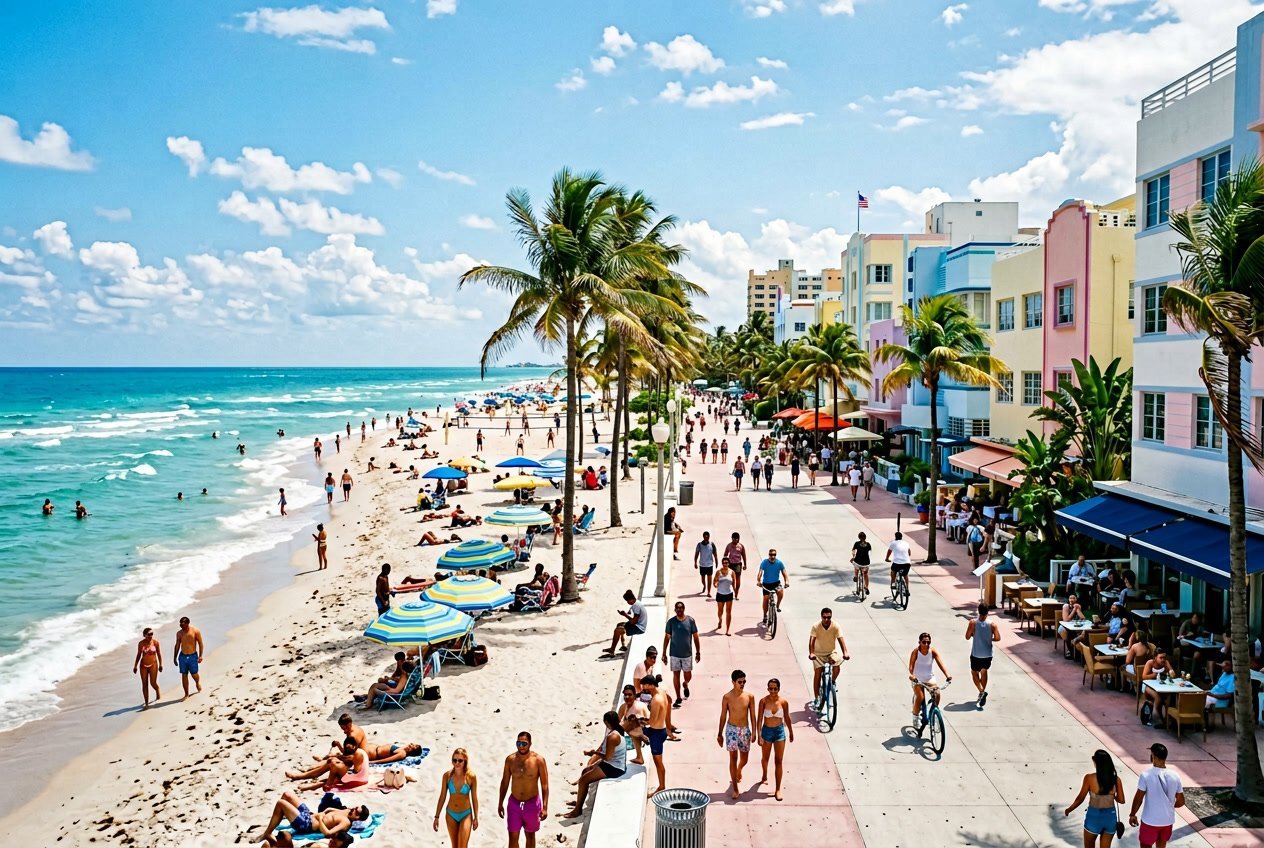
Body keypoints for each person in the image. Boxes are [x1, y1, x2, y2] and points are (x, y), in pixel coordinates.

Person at [563, 712, 624, 818]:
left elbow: (608, 757)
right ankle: (579, 802)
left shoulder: (613, 736)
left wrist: (595, 753)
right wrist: (594, 754)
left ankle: (577, 810)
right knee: (585, 772)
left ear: (606, 722)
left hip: (614, 767)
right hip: (612, 763)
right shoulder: (615, 731)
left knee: (583, 781)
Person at [1064, 749, 1126, 847]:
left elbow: (1080, 798)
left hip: (1094, 817)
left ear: (1095, 761)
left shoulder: (1089, 778)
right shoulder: (1116, 779)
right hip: (1110, 818)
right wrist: (1112, 796)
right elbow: (1122, 800)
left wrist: (1069, 809)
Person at [498, 731, 549, 845]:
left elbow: (544, 785)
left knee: (530, 836)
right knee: (512, 836)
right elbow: (505, 782)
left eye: (524, 744)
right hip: (514, 804)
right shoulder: (510, 760)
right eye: (518, 743)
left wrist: (545, 807)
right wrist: (500, 802)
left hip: (532, 804)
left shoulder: (538, 760)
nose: (521, 746)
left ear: (530, 744)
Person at [1129, 743, 1184, 848]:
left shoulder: (1145, 775)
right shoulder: (1175, 776)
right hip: (1167, 821)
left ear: (1153, 757)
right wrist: (1168, 806)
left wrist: (1132, 814)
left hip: (1150, 821)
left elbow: (1139, 798)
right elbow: (1181, 802)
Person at [260, 791, 367, 842]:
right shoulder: (347, 811)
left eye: (356, 813)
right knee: (287, 794)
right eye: (355, 808)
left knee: (281, 803)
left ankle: (268, 833)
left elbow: (328, 834)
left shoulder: (346, 823)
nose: (353, 810)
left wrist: (320, 819)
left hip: (306, 825)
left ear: (358, 819)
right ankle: (282, 814)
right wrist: (326, 811)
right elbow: (332, 810)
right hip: (309, 815)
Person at [716, 669, 756, 800]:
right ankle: (735, 788)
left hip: (744, 730)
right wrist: (719, 733)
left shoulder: (749, 697)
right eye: (740, 682)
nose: (742, 684)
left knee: (744, 759)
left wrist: (755, 731)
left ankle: (739, 769)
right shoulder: (727, 697)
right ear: (733, 682)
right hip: (731, 730)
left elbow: (753, 715)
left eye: (744, 681)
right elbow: (723, 716)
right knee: (732, 758)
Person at [756, 677, 794, 801]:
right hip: (766, 731)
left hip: (779, 732)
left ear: (779, 689)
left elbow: (787, 717)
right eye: (771, 688)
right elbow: (760, 719)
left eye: (775, 689)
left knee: (778, 761)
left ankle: (778, 789)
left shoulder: (783, 702)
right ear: (767, 688)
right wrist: (759, 734)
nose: (773, 691)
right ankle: (764, 775)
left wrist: (791, 731)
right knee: (765, 758)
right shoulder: (763, 701)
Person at [433, 748, 479, 847]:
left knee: (462, 846)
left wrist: (476, 817)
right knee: (455, 846)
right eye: (454, 760)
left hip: (466, 814)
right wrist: (436, 816)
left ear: (465, 761)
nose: (457, 763)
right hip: (451, 814)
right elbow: (442, 796)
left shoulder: (471, 777)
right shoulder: (447, 776)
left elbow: (474, 798)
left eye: (460, 760)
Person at [908, 632, 952, 727]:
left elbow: (941, 664)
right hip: (917, 679)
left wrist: (947, 675)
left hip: (929, 678)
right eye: (924, 642)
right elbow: (911, 667)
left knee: (937, 694)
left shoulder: (932, 651)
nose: (926, 644)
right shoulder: (915, 652)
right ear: (919, 642)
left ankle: (933, 714)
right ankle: (915, 718)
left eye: (928, 642)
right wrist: (912, 676)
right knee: (920, 697)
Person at [663, 602, 701, 708]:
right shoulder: (671, 622)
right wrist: (664, 653)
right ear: (675, 610)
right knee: (676, 675)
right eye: (677, 608)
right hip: (674, 654)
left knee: (688, 675)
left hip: (687, 654)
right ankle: (678, 697)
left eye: (681, 608)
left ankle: (686, 683)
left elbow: (696, 637)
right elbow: (667, 637)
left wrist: (698, 652)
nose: (679, 610)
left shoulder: (690, 621)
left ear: (684, 609)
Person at [808, 608, 848, 706]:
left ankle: (832, 682)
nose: (826, 620)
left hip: (831, 652)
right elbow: (811, 640)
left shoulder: (835, 626)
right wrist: (812, 653)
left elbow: (840, 639)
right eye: (824, 617)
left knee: (836, 664)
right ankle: (817, 698)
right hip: (818, 654)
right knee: (817, 674)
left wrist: (845, 652)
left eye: (828, 617)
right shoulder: (816, 626)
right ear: (821, 617)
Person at [965, 603, 1000, 708]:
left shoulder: (973, 623)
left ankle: (981, 691)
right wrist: (990, 638)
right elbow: (998, 638)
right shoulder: (992, 624)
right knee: (984, 672)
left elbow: (967, 636)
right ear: (988, 612)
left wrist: (973, 634)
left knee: (974, 672)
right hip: (988, 654)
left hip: (976, 653)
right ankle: (981, 693)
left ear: (978, 611)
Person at [642, 675, 673, 795]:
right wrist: (669, 727)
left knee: (658, 762)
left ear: (649, 685)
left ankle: (661, 786)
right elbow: (669, 703)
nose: (643, 688)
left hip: (656, 734)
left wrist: (641, 722)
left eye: (644, 685)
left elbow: (652, 722)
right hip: (662, 730)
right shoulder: (662, 692)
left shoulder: (656, 700)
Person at [603, 590, 648, 656]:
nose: (627, 602)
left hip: (639, 628)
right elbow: (633, 619)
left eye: (627, 601)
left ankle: (612, 650)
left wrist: (625, 615)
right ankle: (623, 645)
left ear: (632, 599)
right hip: (637, 624)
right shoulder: (636, 603)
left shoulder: (636, 606)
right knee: (619, 625)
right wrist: (625, 614)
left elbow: (633, 621)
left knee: (617, 630)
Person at [1140, 650, 1177, 723]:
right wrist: (1153, 675)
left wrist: (1170, 671)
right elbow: (1144, 676)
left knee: (1170, 697)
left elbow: (1173, 675)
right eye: (1161, 658)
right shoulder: (1150, 663)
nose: (1163, 659)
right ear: (1155, 657)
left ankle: (1167, 719)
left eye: (1164, 657)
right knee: (1158, 697)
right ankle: (1155, 713)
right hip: (1148, 686)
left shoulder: (1166, 662)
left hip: (1161, 686)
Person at [173, 616, 204, 700]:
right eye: (180, 624)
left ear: (187, 623)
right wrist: (175, 657)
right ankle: (186, 694)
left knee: (194, 674)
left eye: (183, 624)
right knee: (184, 674)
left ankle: (197, 682)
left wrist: (200, 656)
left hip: (192, 656)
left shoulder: (195, 631)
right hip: (182, 656)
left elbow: (200, 643)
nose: (181, 625)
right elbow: (177, 645)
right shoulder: (179, 633)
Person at [617, 684, 649, 765]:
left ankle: (639, 754)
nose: (627, 697)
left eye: (629, 695)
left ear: (635, 696)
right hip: (636, 732)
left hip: (646, 731)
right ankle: (639, 757)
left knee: (632, 721)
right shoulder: (623, 707)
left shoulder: (638, 706)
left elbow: (646, 722)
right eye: (625, 695)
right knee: (623, 724)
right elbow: (616, 723)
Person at [756, 548, 788, 625]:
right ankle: (765, 615)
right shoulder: (764, 562)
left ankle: (777, 605)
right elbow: (760, 573)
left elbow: (784, 573)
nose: (772, 556)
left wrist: (786, 581)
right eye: (771, 555)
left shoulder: (779, 563)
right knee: (766, 599)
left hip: (776, 583)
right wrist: (758, 581)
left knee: (780, 592)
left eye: (774, 555)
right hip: (766, 584)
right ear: (768, 555)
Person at [133, 627, 162, 709]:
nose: (151, 636)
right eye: (149, 634)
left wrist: (160, 664)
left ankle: (157, 690)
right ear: (144, 635)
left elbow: (159, 654)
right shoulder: (141, 644)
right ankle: (146, 703)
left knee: (153, 683)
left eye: (152, 634)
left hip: (153, 664)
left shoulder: (155, 642)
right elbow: (138, 655)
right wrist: (135, 665)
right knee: (144, 684)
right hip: (143, 666)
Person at [724, 532, 747, 601]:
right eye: (733, 538)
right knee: (729, 579)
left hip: (738, 564)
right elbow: (725, 554)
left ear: (738, 539)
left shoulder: (741, 546)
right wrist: (725, 563)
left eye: (735, 539)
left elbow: (744, 555)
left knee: (737, 579)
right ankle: (728, 592)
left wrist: (745, 564)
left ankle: (736, 593)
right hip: (730, 564)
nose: (734, 540)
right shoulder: (729, 545)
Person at [694, 531, 718, 596]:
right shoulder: (699, 545)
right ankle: (704, 585)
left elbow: (715, 554)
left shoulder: (712, 544)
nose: (706, 538)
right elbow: (696, 554)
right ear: (703, 537)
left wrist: (716, 561)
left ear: (709, 537)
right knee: (703, 579)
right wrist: (695, 562)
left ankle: (709, 592)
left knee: (709, 579)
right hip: (702, 564)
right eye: (705, 537)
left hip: (710, 564)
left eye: (707, 537)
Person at [714, 560, 735, 635]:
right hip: (720, 594)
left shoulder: (732, 572)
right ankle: (720, 619)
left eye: (726, 563)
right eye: (723, 563)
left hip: (729, 594)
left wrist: (735, 593)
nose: (725, 564)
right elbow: (714, 582)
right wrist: (716, 584)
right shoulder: (718, 572)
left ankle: (727, 630)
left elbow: (733, 583)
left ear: (729, 563)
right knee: (720, 611)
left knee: (728, 612)